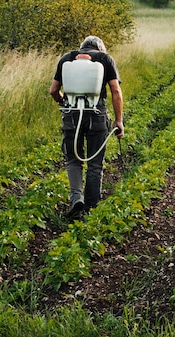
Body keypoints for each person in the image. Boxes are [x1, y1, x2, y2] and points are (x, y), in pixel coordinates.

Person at [49, 36, 124, 219]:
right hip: (97, 116)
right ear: (100, 47)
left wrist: (63, 102)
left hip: (72, 114)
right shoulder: (106, 59)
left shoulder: (67, 59)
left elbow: (53, 90)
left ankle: (76, 199)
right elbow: (115, 90)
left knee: (73, 160)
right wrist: (119, 121)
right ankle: (91, 208)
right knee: (94, 164)